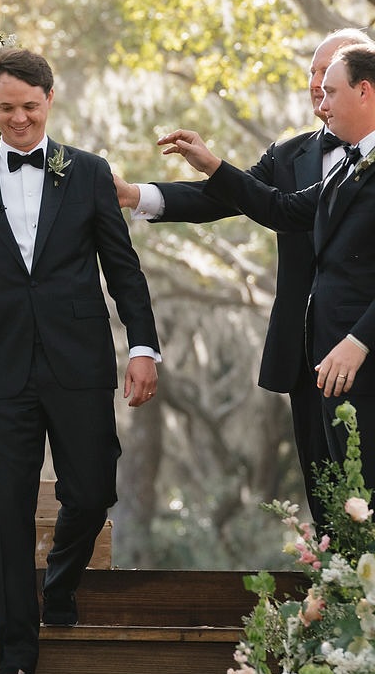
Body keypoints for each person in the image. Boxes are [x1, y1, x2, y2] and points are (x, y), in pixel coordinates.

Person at [0, 48, 160, 674]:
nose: (20, 118)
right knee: (6, 512)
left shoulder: (87, 173)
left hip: (79, 363)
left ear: (49, 101)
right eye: (7, 108)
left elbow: (123, 269)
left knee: (90, 491)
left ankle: (61, 577)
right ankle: (15, 658)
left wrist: (143, 345)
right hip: (2, 372)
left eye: (31, 106)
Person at [114, 28, 370, 524]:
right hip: (305, 353)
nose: (317, 85)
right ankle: (338, 596)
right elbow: (239, 199)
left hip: (364, 348)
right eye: (312, 74)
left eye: (329, 75)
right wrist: (136, 195)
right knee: (325, 495)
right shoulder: (295, 155)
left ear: (363, 81)